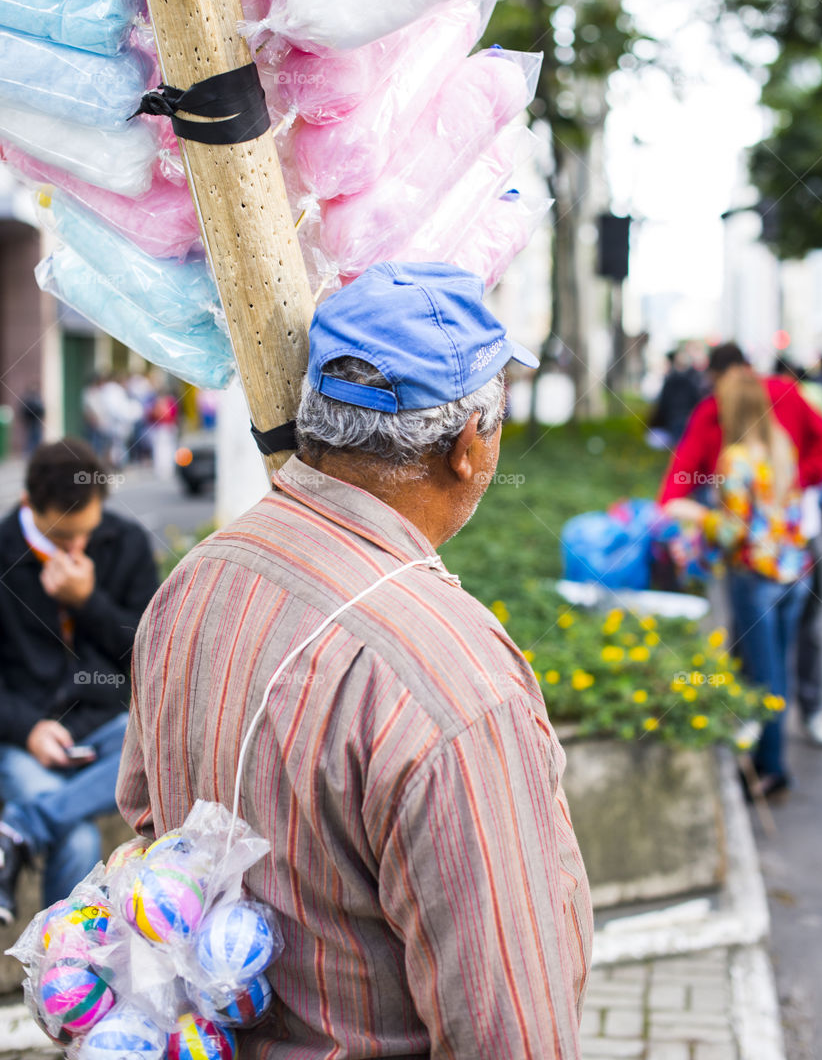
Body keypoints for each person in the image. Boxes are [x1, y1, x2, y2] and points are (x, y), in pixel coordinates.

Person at [117, 262, 592, 1059]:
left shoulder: (194, 582)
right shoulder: (455, 686)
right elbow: (510, 1031)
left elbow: (148, 827)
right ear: (469, 448)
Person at [0, 440, 159, 922]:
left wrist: (88, 601)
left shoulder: (124, 542)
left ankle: (19, 827)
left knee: (155, 755)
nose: (77, 548)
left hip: (104, 723)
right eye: (64, 536)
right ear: (31, 507)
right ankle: (66, 977)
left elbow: (146, 654)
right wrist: (28, 727)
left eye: (86, 533)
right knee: (81, 839)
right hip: (26, 735)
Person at [660, 341, 822, 748]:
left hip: (788, 546)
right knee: (757, 642)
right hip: (770, 555)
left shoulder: (774, 410)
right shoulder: (719, 418)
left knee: (795, 638)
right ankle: (753, 719)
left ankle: (795, 720)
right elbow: (685, 471)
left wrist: (791, 484)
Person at [666, 367, 811, 795]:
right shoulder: (781, 446)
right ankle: (768, 760)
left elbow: (732, 532)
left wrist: (693, 515)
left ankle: (772, 769)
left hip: (756, 578)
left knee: (765, 678)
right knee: (776, 672)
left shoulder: (735, 459)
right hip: (794, 573)